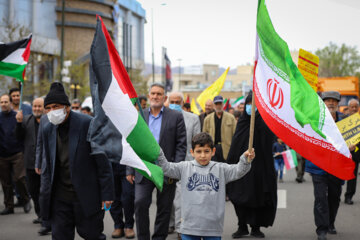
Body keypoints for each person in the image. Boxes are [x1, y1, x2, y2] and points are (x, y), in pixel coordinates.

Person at [39, 82, 115, 240]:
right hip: (59, 198)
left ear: (66, 107)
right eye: (49, 108)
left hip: (86, 196)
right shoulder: (47, 129)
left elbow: (102, 161)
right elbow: (49, 165)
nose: (52, 111)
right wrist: (44, 195)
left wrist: (107, 193)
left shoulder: (86, 123)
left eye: (56, 106)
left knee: (92, 235)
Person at [157, 132, 254, 239]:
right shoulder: (184, 167)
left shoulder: (221, 169)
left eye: (206, 151)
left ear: (213, 151)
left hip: (213, 227)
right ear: (192, 152)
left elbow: (239, 170)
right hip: (189, 226)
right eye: (198, 151)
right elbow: (166, 168)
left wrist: (245, 159)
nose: (203, 155)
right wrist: (158, 152)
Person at [126, 83, 187, 240]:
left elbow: (181, 145)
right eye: (153, 93)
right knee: (140, 204)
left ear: (164, 98)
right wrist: (130, 169)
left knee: (164, 208)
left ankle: (159, 237)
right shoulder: (139, 116)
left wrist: (175, 169)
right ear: (148, 95)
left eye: (159, 94)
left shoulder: (176, 116)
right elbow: (131, 144)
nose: (155, 96)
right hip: (144, 168)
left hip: (166, 170)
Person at [227, 93, 277, 238]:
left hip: (259, 169)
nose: (250, 107)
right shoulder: (242, 123)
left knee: (258, 197)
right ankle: (241, 226)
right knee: (238, 196)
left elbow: (268, 144)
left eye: (253, 104)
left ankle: (255, 227)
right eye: (248, 104)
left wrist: (261, 128)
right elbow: (235, 146)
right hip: (242, 170)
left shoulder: (264, 122)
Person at [305, 91, 345, 240]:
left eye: (334, 100)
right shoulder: (313, 121)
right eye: (327, 100)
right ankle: (321, 229)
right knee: (321, 198)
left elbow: (354, 141)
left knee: (334, 197)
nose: (330, 103)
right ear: (322, 103)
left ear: (338, 103)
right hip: (318, 167)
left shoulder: (346, 122)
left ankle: (330, 223)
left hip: (337, 166)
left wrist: (354, 147)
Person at [168, 92, 201, 236]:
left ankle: (181, 227)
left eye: (177, 101)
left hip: (186, 162)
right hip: (167, 163)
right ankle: (169, 223)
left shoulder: (193, 119)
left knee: (182, 196)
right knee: (167, 195)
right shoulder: (163, 117)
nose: (174, 104)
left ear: (182, 103)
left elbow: (197, 142)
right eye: (172, 101)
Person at [15, 98, 49, 229]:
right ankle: (40, 214)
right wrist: (18, 123)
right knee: (34, 191)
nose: (36, 109)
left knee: (45, 192)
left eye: (39, 106)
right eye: (34, 106)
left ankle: (47, 216)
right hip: (30, 163)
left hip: (45, 163)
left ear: (44, 108)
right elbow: (18, 137)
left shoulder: (48, 121)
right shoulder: (26, 120)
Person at [0, 94, 32, 215]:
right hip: (2, 154)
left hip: (17, 153)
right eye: (1, 102)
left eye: (5, 102)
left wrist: (19, 122)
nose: (3, 104)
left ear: (10, 102)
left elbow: (23, 133)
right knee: (6, 182)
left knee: (19, 178)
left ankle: (25, 199)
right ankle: (9, 206)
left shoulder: (17, 116)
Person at [203, 95, 237, 163]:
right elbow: (204, 135)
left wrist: (233, 149)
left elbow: (235, 135)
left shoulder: (231, 118)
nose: (218, 106)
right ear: (213, 105)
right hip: (212, 148)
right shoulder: (208, 119)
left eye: (220, 104)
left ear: (223, 104)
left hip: (226, 148)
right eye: (216, 104)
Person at [110, 161, 135, 238]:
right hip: (110, 163)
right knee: (113, 197)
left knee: (128, 196)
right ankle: (118, 226)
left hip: (126, 163)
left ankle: (129, 226)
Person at [344, 98, 360, 205]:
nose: (354, 109)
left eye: (356, 107)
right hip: (345, 153)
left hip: (357, 152)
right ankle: (343, 195)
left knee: (353, 176)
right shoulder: (342, 121)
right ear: (348, 108)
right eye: (352, 107)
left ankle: (349, 195)